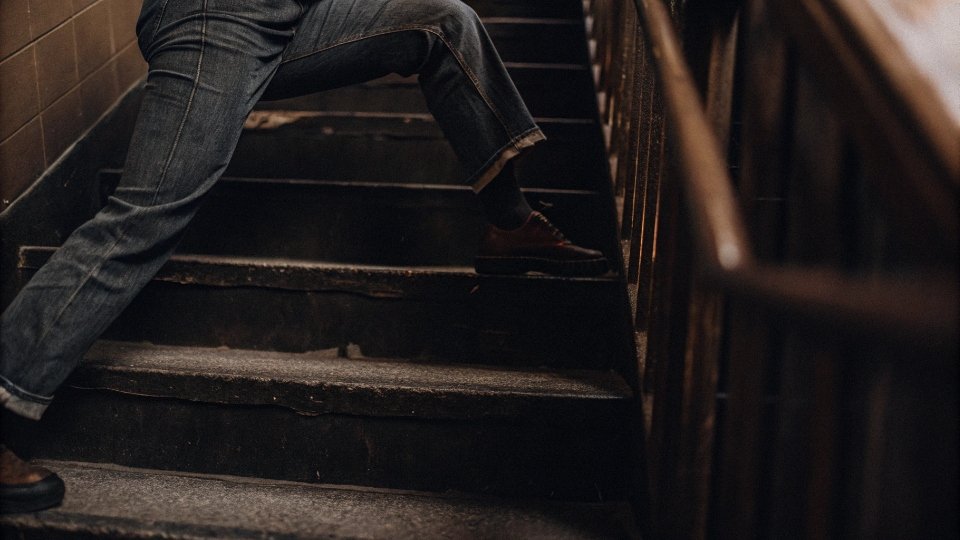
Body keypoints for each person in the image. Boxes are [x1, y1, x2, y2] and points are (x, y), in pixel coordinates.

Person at [0, 0, 608, 514]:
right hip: (220, 15)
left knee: (444, 22)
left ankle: (511, 223)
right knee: (144, 216)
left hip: (289, 16)